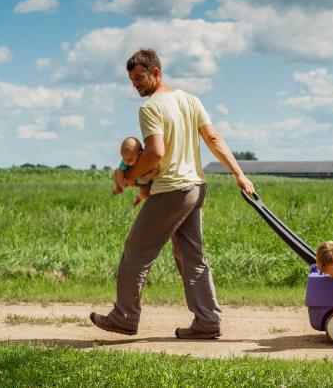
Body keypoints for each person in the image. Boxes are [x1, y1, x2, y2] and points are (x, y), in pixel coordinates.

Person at [90, 48, 255, 340]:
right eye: (131, 80)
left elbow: (155, 152)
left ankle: (124, 317)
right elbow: (213, 139)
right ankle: (207, 321)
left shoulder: (151, 108)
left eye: (140, 77)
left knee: (136, 252)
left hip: (172, 191)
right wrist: (239, 174)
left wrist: (128, 176)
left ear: (156, 72)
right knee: (192, 257)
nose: (136, 84)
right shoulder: (190, 100)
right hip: (196, 187)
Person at [112, 136, 159, 207]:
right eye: (123, 158)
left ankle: (140, 197)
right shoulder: (125, 161)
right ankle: (119, 188)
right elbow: (121, 171)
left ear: (140, 153)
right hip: (132, 179)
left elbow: (156, 169)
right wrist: (121, 182)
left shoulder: (145, 160)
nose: (126, 161)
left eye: (130, 160)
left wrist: (149, 176)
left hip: (144, 182)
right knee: (117, 171)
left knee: (146, 195)